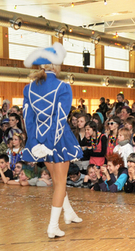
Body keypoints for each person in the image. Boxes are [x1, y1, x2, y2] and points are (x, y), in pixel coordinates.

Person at [22, 42, 83, 238]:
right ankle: (53, 226)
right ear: (55, 65)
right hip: (58, 139)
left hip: (39, 139)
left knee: (57, 181)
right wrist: (49, 143)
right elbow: (60, 119)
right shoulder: (63, 87)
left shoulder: (29, 88)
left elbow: (27, 119)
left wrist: (35, 143)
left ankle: (69, 213)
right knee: (61, 182)